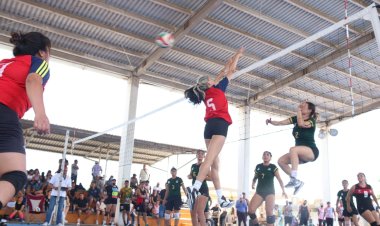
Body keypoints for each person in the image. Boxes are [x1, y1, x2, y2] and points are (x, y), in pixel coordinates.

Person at [185, 48, 244, 209]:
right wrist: (237, 56)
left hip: (209, 127)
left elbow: (222, 72)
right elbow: (230, 71)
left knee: (215, 163)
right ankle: (194, 189)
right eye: (211, 79)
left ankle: (221, 198)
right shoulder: (218, 89)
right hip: (219, 125)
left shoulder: (206, 93)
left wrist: (231, 60)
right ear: (209, 83)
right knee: (210, 160)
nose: (213, 79)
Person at [0, 31, 51, 211]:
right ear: (43, 52)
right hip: (3, 112)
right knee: (15, 175)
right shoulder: (38, 63)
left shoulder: (4, 64)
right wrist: (40, 114)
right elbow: (32, 80)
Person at [266, 101, 318, 195]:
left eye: (304, 105)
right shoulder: (295, 119)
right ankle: (298, 183)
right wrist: (271, 122)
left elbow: (302, 124)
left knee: (293, 149)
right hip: (299, 153)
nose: (301, 106)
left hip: (311, 151)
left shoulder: (311, 120)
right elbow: (281, 123)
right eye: (301, 105)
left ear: (310, 110)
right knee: (281, 161)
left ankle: (293, 178)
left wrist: (298, 110)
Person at [248, 151, 287, 226]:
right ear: (262, 157)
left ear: (270, 158)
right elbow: (255, 177)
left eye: (267, 155)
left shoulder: (273, 167)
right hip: (259, 192)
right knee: (251, 211)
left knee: (269, 213)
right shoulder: (258, 166)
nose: (265, 156)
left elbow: (279, 179)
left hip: (270, 192)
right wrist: (253, 183)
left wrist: (283, 190)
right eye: (264, 154)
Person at [43, 159, 71, 226]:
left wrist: (67, 189)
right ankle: (46, 222)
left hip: (62, 194)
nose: (65, 171)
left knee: (60, 209)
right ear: (61, 169)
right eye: (64, 170)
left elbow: (69, 187)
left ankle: (59, 222)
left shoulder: (68, 178)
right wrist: (54, 187)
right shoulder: (56, 175)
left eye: (66, 170)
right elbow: (50, 184)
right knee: (51, 208)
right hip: (54, 194)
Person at [188, 150, 211, 226]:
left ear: (204, 156)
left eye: (202, 154)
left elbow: (211, 178)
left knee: (200, 211)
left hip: (203, 189)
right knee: (193, 213)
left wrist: (202, 177)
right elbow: (191, 175)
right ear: (196, 155)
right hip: (194, 190)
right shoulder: (193, 166)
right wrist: (190, 176)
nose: (200, 155)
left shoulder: (205, 165)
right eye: (198, 154)